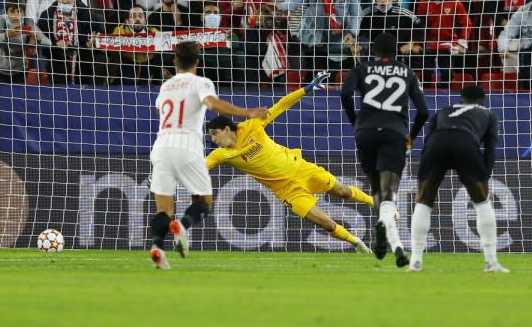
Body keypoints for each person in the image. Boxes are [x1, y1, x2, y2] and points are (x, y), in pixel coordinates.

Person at [206, 74, 375, 253]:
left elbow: (282, 105)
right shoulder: (220, 155)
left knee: (343, 191)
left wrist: (306, 89)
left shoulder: (252, 126)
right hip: (286, 191)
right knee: (326, 223)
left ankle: (376, 203)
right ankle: (355, 242)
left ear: (226, 129)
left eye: (215, 133)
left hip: (300, 169)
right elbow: (200, 168)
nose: (213, 139)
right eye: (211, 135)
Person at [148, 41, 267, 269]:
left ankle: (157, 247)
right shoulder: (201, 82)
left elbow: (160, 110)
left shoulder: (166, 87)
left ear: (174, 62)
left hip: (161, 146)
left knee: (163, 209)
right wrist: (247, 112)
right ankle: (182, 225)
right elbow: (211, 103)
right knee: (203, 201)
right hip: (187, 146)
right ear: (197, 62)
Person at [339, 32, 427, 266]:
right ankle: (385, 226)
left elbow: (345, 93)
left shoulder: (362, 68)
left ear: (374, 52)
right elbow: (424, 111)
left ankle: (385, 233)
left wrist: (354, 120)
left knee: (376, 187)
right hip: (394, 132)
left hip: (365, 131)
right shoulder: (407, 72)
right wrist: (412, 136)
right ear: (396, 52)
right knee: (389, 190)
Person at [409, 85, 505, 273]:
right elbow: (491, 149)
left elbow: (427, 140)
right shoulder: (488, 114)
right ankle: (491, 263)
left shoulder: (443, 110)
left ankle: (416, 261)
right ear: (482, 100)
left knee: (423, 201)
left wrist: (424, 173)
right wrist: (484, 176)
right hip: (465, 142)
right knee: (482, 202)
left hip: (437, 143)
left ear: (461, 99)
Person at [0, 0, 42, 83]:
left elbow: (33, 52)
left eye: (19, 11)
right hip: (0, 70)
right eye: (12, 11)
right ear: (6, 12)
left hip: (20, 71)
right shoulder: (0, 21)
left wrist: (34, 40)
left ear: (23, 12)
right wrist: (6, 35)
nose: (16, 15)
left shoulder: (28, 23)